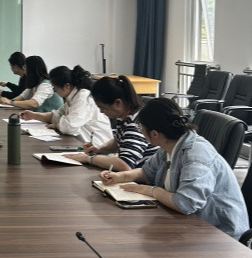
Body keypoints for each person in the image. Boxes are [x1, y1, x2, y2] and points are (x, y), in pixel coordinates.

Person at [100, 98, 248, 240]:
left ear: (154, 134)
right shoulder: (169, 145)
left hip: (220, 234)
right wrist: (121, 176)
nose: (141, 131)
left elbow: (185, 203)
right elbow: (147, 172)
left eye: (141, 128)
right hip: (191, 224)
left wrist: (150, 190)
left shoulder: (196, 157)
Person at [63, 75, 158, 169]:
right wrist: (99, 149)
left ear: (118, 103)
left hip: (143, 175)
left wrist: (89, 158)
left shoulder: (136, 123)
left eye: (102, 107)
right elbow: (118, 142)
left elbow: (126, 164)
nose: (101, 111)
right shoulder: (124, 115)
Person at [20, 65, 112, 146]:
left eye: (55, 88)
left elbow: (69, 126)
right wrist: (34, 115)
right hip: (83, 143)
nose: (55, 91)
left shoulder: (83, 97)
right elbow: (57, 115)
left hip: (99, 147)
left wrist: (56, 125)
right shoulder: (72, 97)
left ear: (67, 86)